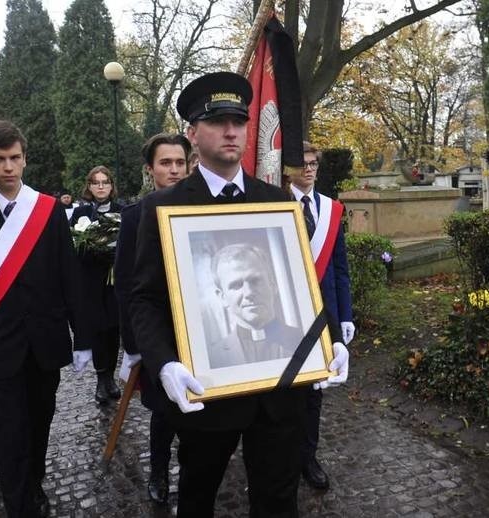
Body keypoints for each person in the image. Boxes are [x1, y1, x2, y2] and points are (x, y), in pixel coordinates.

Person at [128, 71, 349, 517]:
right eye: (217, 122)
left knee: (278, 502)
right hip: (207, 392)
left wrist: (330, 341)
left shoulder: (278, 202)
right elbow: (145, 299)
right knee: (197, 497)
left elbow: (302, 285)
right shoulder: (160, 209)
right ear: (192, 134)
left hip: (279, 392)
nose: (231, 131)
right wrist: (164, 362)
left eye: (239, 121)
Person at [0, 120, 90, 517]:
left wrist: (85, 337)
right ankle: (20, 506)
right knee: (9, 435)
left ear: (24, 158)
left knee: (39, 427)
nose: (8, 167)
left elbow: (69, 277)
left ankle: (33, 485)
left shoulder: (48, 210)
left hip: (45, 342)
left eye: (15, 158)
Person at [115, 132, 191, 505]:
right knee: (163, 414)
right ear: (150, 169)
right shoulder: (135, 216)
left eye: (180, 162)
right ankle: (159, 472)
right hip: (157, 335)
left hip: (198, 330)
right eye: (166, 163)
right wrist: (135, 346)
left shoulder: (200, 208)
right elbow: (127, 287)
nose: (174, 170)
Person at [286, 140, 355, 490]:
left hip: (325, 318)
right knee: (282, 393)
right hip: (284, 317)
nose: (309, 169)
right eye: (303, 163)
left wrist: (346, 315)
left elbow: (340, 269)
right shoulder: (275, 204)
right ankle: (278, 457)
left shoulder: (331, 209)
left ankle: (308, 458)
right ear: (289, 168)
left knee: (315, 392)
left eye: (314, 163)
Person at [70, 166, 124, 405]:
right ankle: (101, 380)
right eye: (96, 182)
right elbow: (72, 243)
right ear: (89, 187)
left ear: (111, 186)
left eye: (105, 182)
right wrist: (91, 249)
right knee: (99, 330)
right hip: (91, 281)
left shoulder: (122, 211)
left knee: (113, 330)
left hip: (114, 280)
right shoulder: (80, 213)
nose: (101, 186)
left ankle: (110, 377)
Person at [208, 244, 302, 368]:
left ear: (273, 285)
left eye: (255, 281)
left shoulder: (306, 341)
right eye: (236, 285)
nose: (248, 293)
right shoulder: (213, 359)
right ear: (222, 297)